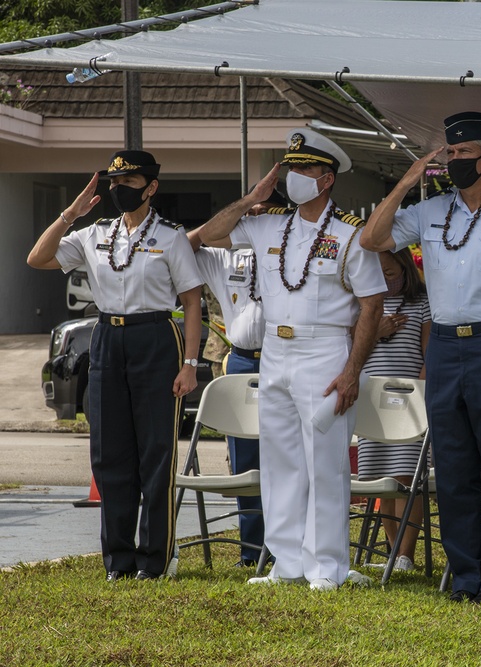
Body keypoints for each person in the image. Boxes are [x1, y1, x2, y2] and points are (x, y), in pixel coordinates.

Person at [361, 111, 481, 606]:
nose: (455, 162)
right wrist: (407, 182)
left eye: (465, 154)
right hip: (445, 345)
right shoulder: (430, 211)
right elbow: (371, 238)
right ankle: (465, 575)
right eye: (449, 154)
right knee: (452, 468)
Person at [198, 128, 386, 591]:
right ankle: (287, 563)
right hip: (274, 352)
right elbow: (205, 236)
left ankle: (327, 566)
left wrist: (352, 371)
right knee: (280, 460)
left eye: (303, 169)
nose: (292, 177)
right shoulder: (266, 222)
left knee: (324, 461)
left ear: (326, 179)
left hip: (324, 351)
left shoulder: (349, 235)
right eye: (290, 168)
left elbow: (372, 305)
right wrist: (251, 198)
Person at [27, 150, 203, 581]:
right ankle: (118, 561)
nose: (119, 190)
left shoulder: (171, 236)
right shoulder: (94, 233)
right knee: (109, 455)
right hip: (107, 337)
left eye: (129, 183)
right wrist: (70, 213)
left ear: (151, 187)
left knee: (155, 454)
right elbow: (38, 257)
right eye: (114, 184)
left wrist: (191, 364)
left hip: (156, 338)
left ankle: (154, 561)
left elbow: (193, 301)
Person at [187, 224, 268, 568]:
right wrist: (239, 212)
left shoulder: (289, 251)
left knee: (285, 457)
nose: (253, 223)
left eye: (262, 216)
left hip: (281, 358)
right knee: (244, 460)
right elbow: (186, 245)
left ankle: (285, 548)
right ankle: (252, 551)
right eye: (247, 217)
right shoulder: (226, 257)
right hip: (239, 359)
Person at [356, 247, 431, 572]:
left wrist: (419, 393)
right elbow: (351, 346)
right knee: (381, 478)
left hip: (410, 401)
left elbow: (429, 354)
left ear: (405, 270)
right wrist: (376, 331)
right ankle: (392, 551)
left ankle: (405, 554)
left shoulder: (422, 303)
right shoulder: (364, 305)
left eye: (390, 274)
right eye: (379, 275)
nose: (385, 282)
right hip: (373, 403)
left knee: (407, 478)